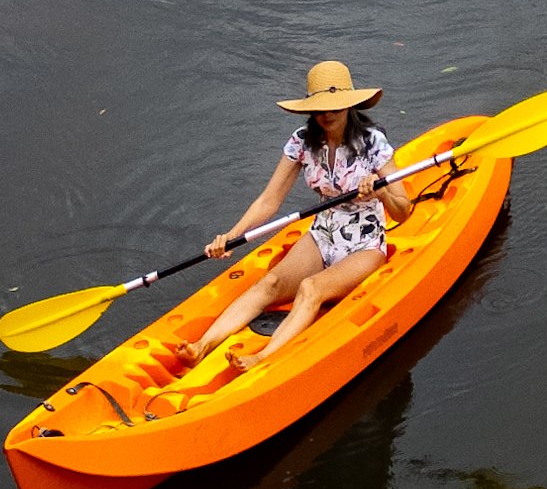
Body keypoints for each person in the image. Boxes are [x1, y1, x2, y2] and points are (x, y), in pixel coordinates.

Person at [171, 61, 414, 370]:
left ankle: (263, 358)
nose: (327, 115)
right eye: (320, 108)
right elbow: (269, 201)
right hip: (322, 233)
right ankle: (201, 346)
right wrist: (231, 237)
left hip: (364, 243)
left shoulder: (371, 142)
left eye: (335, 107)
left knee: (311, 288)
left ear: (349, 105)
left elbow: (403, 210)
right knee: (270, 283)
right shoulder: (302, 140)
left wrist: (380, 191)